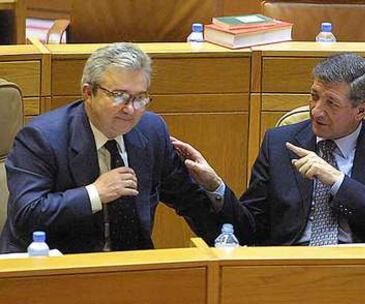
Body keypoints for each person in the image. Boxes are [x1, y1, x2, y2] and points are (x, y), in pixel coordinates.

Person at [172, 53, 365, 246]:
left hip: (363, 271)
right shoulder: (279, 143)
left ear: (361, 110)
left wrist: (337, 181)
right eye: (314, 96)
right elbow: (249, 230)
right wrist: (216, 187)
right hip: (288, 268)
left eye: (331, 103)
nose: (316, 110)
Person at [0, 43, 220, 253]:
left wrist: (217, 193)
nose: (131, 109)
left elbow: (190, 199)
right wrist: (94, 194)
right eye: (119, 96)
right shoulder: (41, 138)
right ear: (88, 93)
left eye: (140, 98)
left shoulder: (151, 130)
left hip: (129, 269)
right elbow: (26, 215)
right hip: (57, 268)